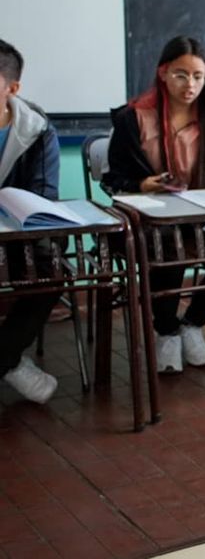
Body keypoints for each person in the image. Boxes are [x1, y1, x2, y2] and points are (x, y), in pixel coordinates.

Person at [103, 36, 205, 374]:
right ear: (163, 73)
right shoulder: (133, 118)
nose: (189, 85)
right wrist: (142, 185)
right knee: (169, 253)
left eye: (198, 76)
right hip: (147, 221)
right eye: (181, 75)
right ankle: (165, 331)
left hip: (196, 218)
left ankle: (191, 326)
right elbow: (113, 177)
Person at [0, 38, 62, 404]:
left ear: (12, 88)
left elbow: (43, 196)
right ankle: (9, 362)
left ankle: (5, 355)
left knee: (54, 268)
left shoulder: (37, 129)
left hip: (15, 236)